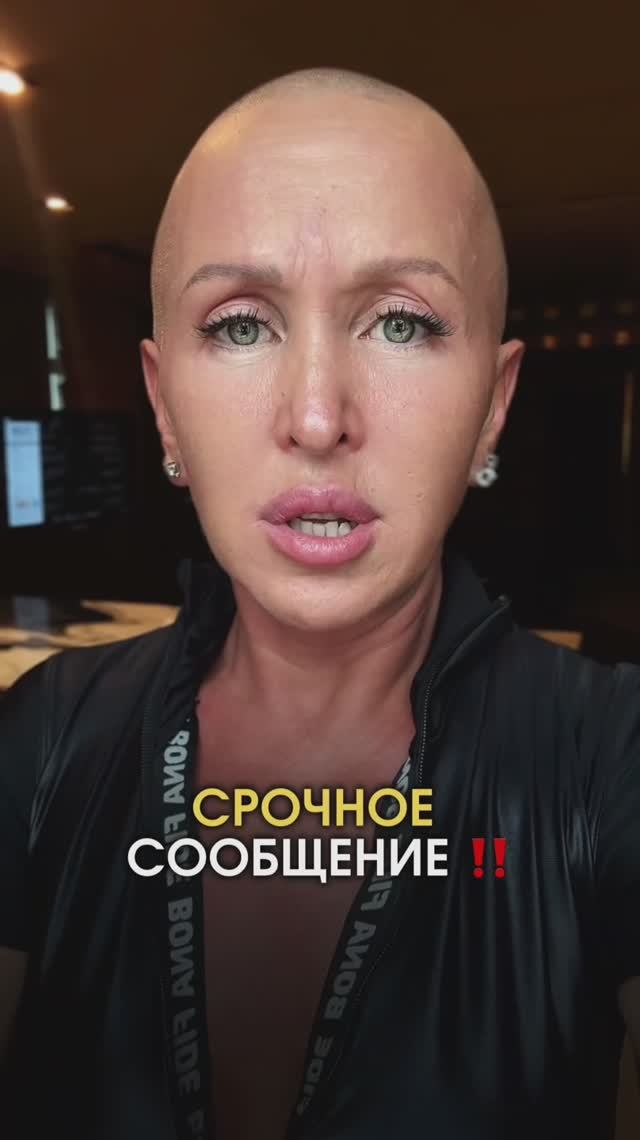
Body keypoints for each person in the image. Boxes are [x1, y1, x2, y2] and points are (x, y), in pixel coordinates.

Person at [0, 65, 639, 1140]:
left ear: (492, 407)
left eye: (400, 323)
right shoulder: (43, 738)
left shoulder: (612, 759)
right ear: (164, 406)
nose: (314, 416)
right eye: (240, 325)